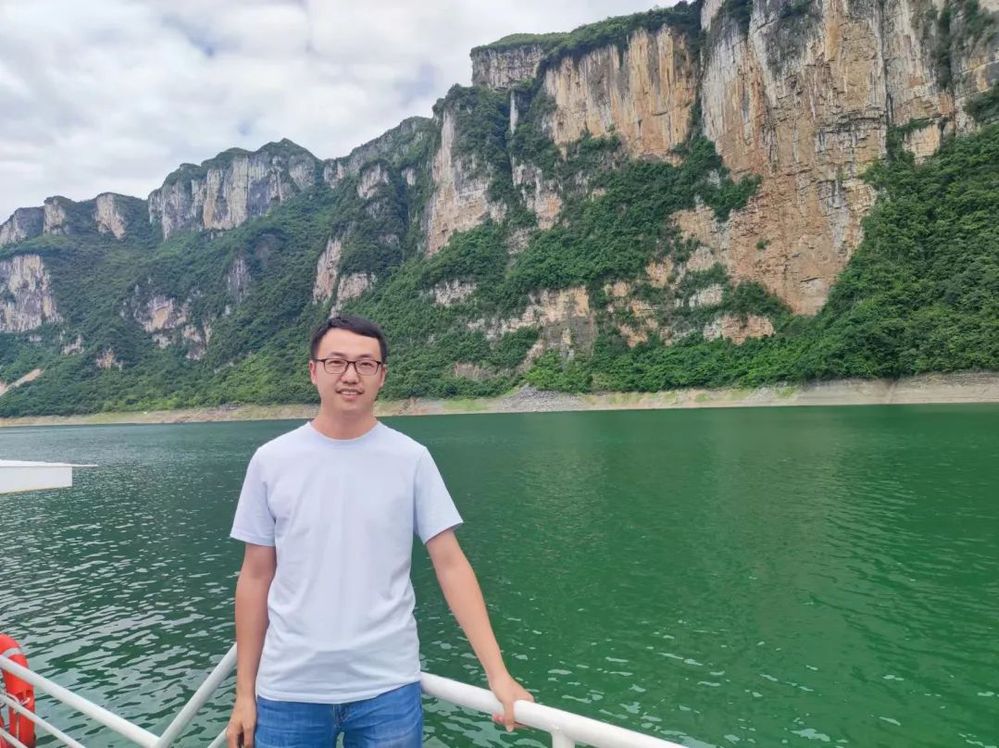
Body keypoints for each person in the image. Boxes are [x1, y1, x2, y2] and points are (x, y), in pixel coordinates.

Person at [226, 314, 533, 747]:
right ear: (313, 371)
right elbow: (256, 576)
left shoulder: (411, 459)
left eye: (365, 364)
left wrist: (497, 674)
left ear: (382, 376)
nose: (350, 375)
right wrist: (244, 694)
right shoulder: (271, 461)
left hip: (387, 688)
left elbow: (451, 565)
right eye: (336, 362)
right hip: (288, 688)